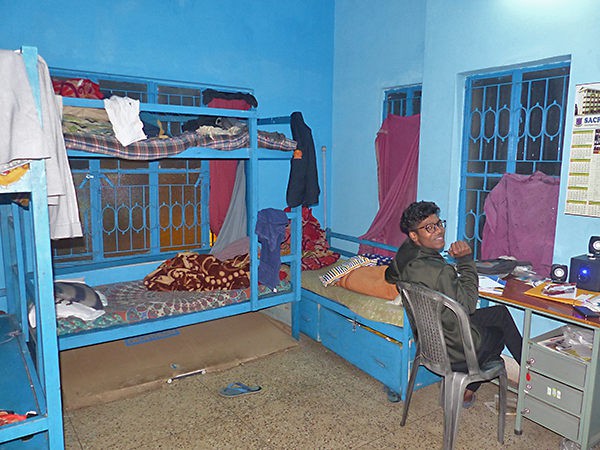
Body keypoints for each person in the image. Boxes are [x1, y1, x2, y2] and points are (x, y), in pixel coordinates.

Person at [385, 200, 522, 407]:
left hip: (429, 339)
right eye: (429, 228)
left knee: (500, 313)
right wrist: (466, 261)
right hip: (453, 350)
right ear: (414, 235)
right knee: (498, 334)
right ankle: (467, 389)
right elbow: (469, 307)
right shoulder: (442, 271)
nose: (439, 231)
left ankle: (529, 374)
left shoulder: (406, 251)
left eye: (439, 224)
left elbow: (390, 275)